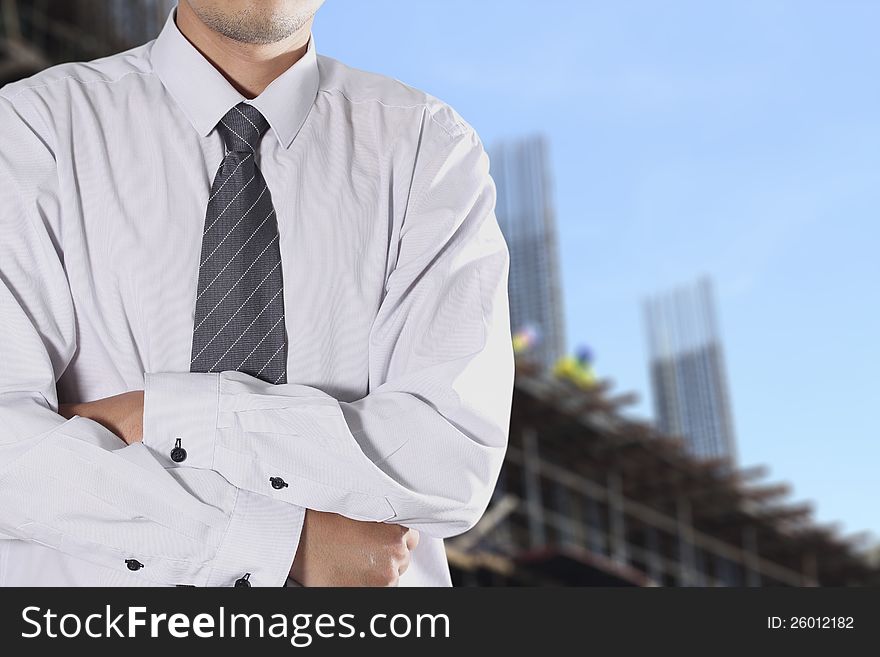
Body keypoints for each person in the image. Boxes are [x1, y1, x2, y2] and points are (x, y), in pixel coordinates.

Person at [0, 0, 514, 587]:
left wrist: (167, 415)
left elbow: (450, 459)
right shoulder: (29, 130)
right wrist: (277, 543)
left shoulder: (428, 149)